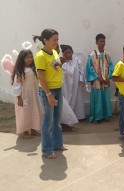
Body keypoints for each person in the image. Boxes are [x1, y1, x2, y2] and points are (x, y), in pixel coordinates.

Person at [33, 28, 67, 159]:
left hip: (58, 88)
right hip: (48, 91)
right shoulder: (40, 56)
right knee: (48, 121)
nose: (56, 42)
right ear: (45, 41)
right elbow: (41, 77)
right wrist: (48, 95)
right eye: (54, 40)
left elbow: (56, 69)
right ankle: (46, 150)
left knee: (57, 120)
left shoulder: (54, 52)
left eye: (57, 40)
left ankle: (57, 144)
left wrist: (61, 62)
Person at [11, 49, 42, 139]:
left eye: (31, 57)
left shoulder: (33, 68)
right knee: (24, 113)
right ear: (22, 58)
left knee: (35, 110)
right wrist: (19, 98)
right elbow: (16, 85)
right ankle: (24, 131)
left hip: (34, 94)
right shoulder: (20, 71)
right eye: (27, 57)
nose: (30, 59)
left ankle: (33, 128)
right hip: (24, 95)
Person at [86, 33, 114, 123]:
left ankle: (106, 115)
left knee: (105, 98)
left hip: (105, 80)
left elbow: (111, 66)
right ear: (96, 42)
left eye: (104, 41)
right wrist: (97, 77)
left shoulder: (108, 54)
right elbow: (89, 68)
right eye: (101, 41)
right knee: (97, 99)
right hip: (97, 81)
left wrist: (108, 77)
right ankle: (96, 117)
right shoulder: (92, 55)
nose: (102, 43)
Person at [60, 44, 86, 120]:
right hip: (66, 85)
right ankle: (68, 119)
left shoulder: (76, 60)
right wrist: (63, 62)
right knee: (68, 99)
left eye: (70, 52)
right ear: (63, 54)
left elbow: (81, 70)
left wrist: (81, 80)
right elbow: (68, 71)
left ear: (72, 52)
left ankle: (78, 116)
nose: (68, 55)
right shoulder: (61, 61)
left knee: (77, 100)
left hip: (76, 84)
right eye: (66, 53)